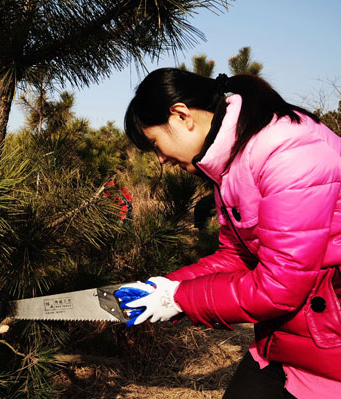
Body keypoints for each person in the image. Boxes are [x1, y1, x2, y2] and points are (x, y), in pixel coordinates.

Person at [115, 68, 341, 399]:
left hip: (329, 353)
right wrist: (168, 285)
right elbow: (237, 256)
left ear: (181, 116)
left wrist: (178, 299)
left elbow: (279, 288)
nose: (161, 159)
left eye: (155, 144)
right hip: (287, 343)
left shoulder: (290, 152)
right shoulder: (235, 162)